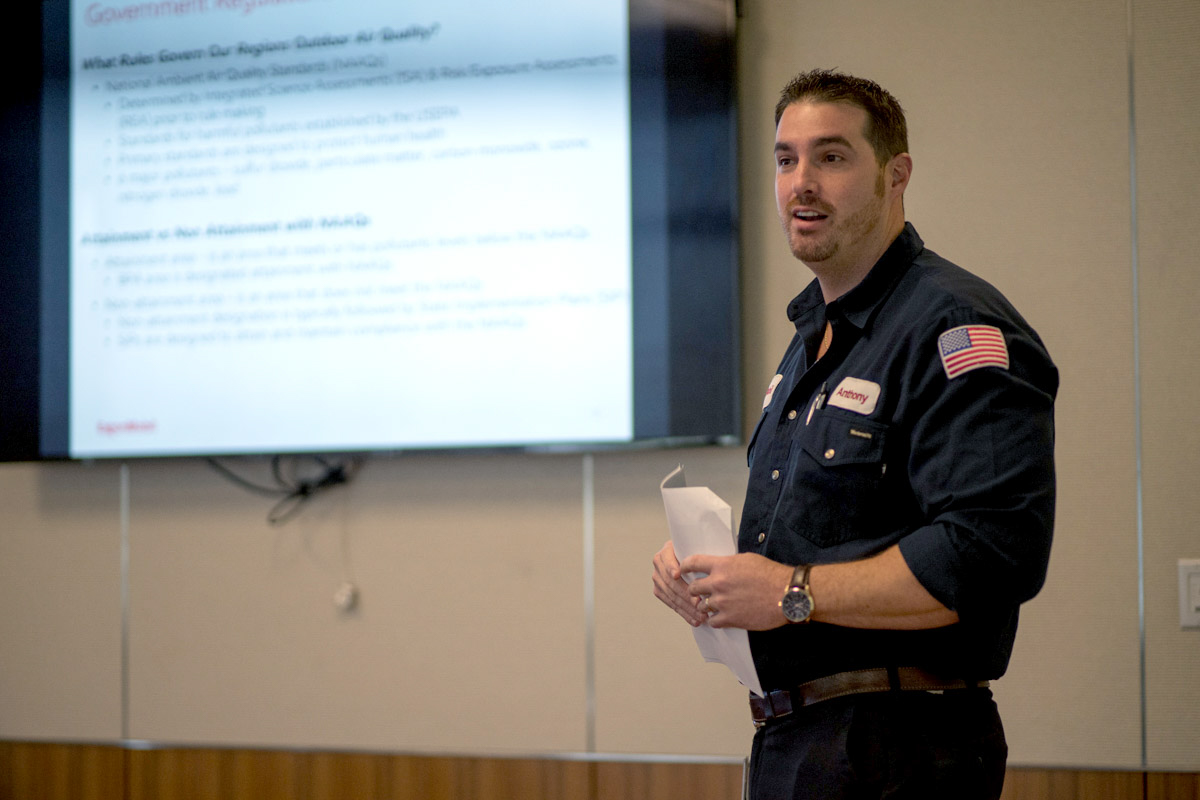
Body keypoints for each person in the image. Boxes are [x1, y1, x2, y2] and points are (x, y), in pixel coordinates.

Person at [652, 69, 1057, 799]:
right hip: (796, 741)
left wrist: (790, 592)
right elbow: (804, 550)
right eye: (785, 159)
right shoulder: (813, 339)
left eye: (832, 157)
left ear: (895, 176)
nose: (801, 182)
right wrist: (712, 578)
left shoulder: (954, 326)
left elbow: (991, 554)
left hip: (899, 749)